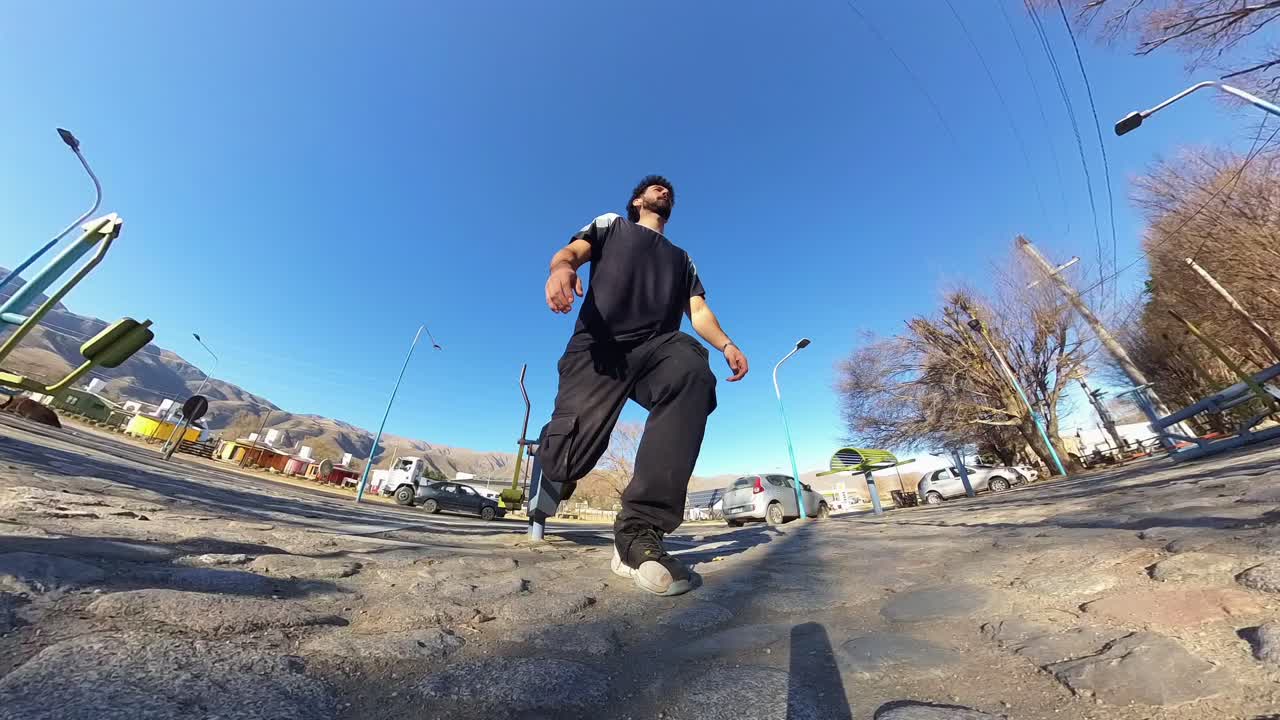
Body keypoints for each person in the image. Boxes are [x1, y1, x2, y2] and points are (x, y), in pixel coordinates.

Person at [540, 175, 749, 596]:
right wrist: (561, 268)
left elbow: (698, 310)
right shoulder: (611, 224)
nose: (664, 192)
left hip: (655, 348)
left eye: (668, 190)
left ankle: (639, 533)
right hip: (598, 349)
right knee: (564, 462)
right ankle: (553, 453)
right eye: (655, 189)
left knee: (691, 370)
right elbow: (572, 252)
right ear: (638, 201)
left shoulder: (682, 258)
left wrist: (726, 343)